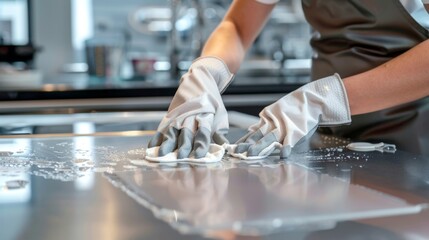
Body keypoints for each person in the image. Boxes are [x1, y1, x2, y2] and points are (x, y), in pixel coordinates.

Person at [148, 0, 429, 159]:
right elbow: (237, 26)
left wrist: (322, 100)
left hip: (417, 142)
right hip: (335, 140)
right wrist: (207, 72)